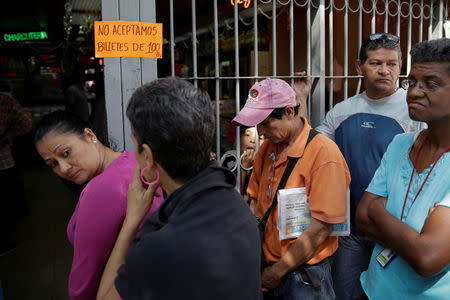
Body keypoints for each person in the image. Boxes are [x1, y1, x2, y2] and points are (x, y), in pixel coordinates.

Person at [96, 77, 262, 300]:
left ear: (148, 156)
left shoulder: (160, 247)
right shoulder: (235, 204)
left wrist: (132, 220)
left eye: (135, 147)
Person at [307, 33, 425, 300]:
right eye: (376, 63)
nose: (385, 71)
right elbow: (314, 146)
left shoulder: (415, 110)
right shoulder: (342, 111)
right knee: (345, 293)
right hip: (352, 230)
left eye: (392, 64)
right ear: (359, 66)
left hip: (396, 229)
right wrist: (302, 100)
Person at [233, 78, 350, 299]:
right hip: (267, 269)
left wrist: (278, 271)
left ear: (289, 112)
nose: (260, 133)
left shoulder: (324, 154)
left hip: (305, 277)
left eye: (266, 123)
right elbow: (255, 202)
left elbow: (321, 227)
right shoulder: (267, 149)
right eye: (257, 125)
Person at [356, 38, 450, 299]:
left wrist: (378, 209)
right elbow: (362, 216)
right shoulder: (400, 144)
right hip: (373, 290)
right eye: (412, 82)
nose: (414, 92)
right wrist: (414, 238)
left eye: (431, 83)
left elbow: (427, 258)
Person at [34, 111, 164, 300]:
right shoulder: (132, 160)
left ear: (89, 136)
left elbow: (84, 279)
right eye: (53, 163)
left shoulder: (101, 189)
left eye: (66, 153)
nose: (63, 168)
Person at [0, 90, 32, 255]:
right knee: (5, 203)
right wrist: (9, 135)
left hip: (4, 160)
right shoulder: (4, 100)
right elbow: (26, 123)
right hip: (3, 161)